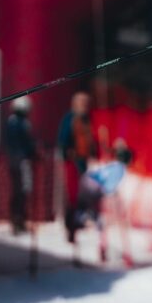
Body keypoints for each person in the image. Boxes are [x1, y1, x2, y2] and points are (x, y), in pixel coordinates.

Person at [57, 91, 97, 242]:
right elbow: (63, 140)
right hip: (72, 162)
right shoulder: (70, 118)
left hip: (83, 162)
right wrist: (67, 151)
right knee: (72, 193)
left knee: (82, 193)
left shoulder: (87, 119)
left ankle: (79, 219)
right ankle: (71, 224)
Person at [4, 96, 37, 234]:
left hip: (13, 159)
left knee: (18, 190)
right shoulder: (20, 123)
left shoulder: (11, 122)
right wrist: (33, 152)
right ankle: (18, 220)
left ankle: (17, 219)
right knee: (22, 190)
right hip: (21, 160)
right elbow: (26, 142)